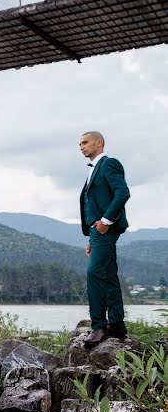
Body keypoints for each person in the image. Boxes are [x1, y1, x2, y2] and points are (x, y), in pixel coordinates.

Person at [78, 131, 130, 346]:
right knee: (108, 275)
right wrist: (92, 235)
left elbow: (123, 192)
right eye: (79, 144)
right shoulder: (92, 169)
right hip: (97, 231)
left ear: (99, 143)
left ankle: (99, 326)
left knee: (94, 273)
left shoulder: (109, 164)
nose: (81, 147)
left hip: (105, 228)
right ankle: (117, 325)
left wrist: (106, 221)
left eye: (85, 142)